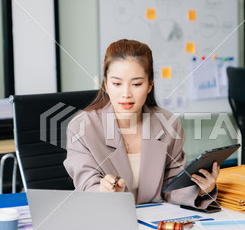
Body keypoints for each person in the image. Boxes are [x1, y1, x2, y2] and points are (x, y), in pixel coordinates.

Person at [64, 39, 219, 208]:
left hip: (155, 223)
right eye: (116, 83)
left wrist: (203, 189)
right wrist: (103, 192)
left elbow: (171, 186)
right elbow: (86, 185)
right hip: (108, 219)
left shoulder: (169, 124)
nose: (126, 93)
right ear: (106, 85)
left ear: (150, 84)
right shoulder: (81, 128)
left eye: (137, 84)